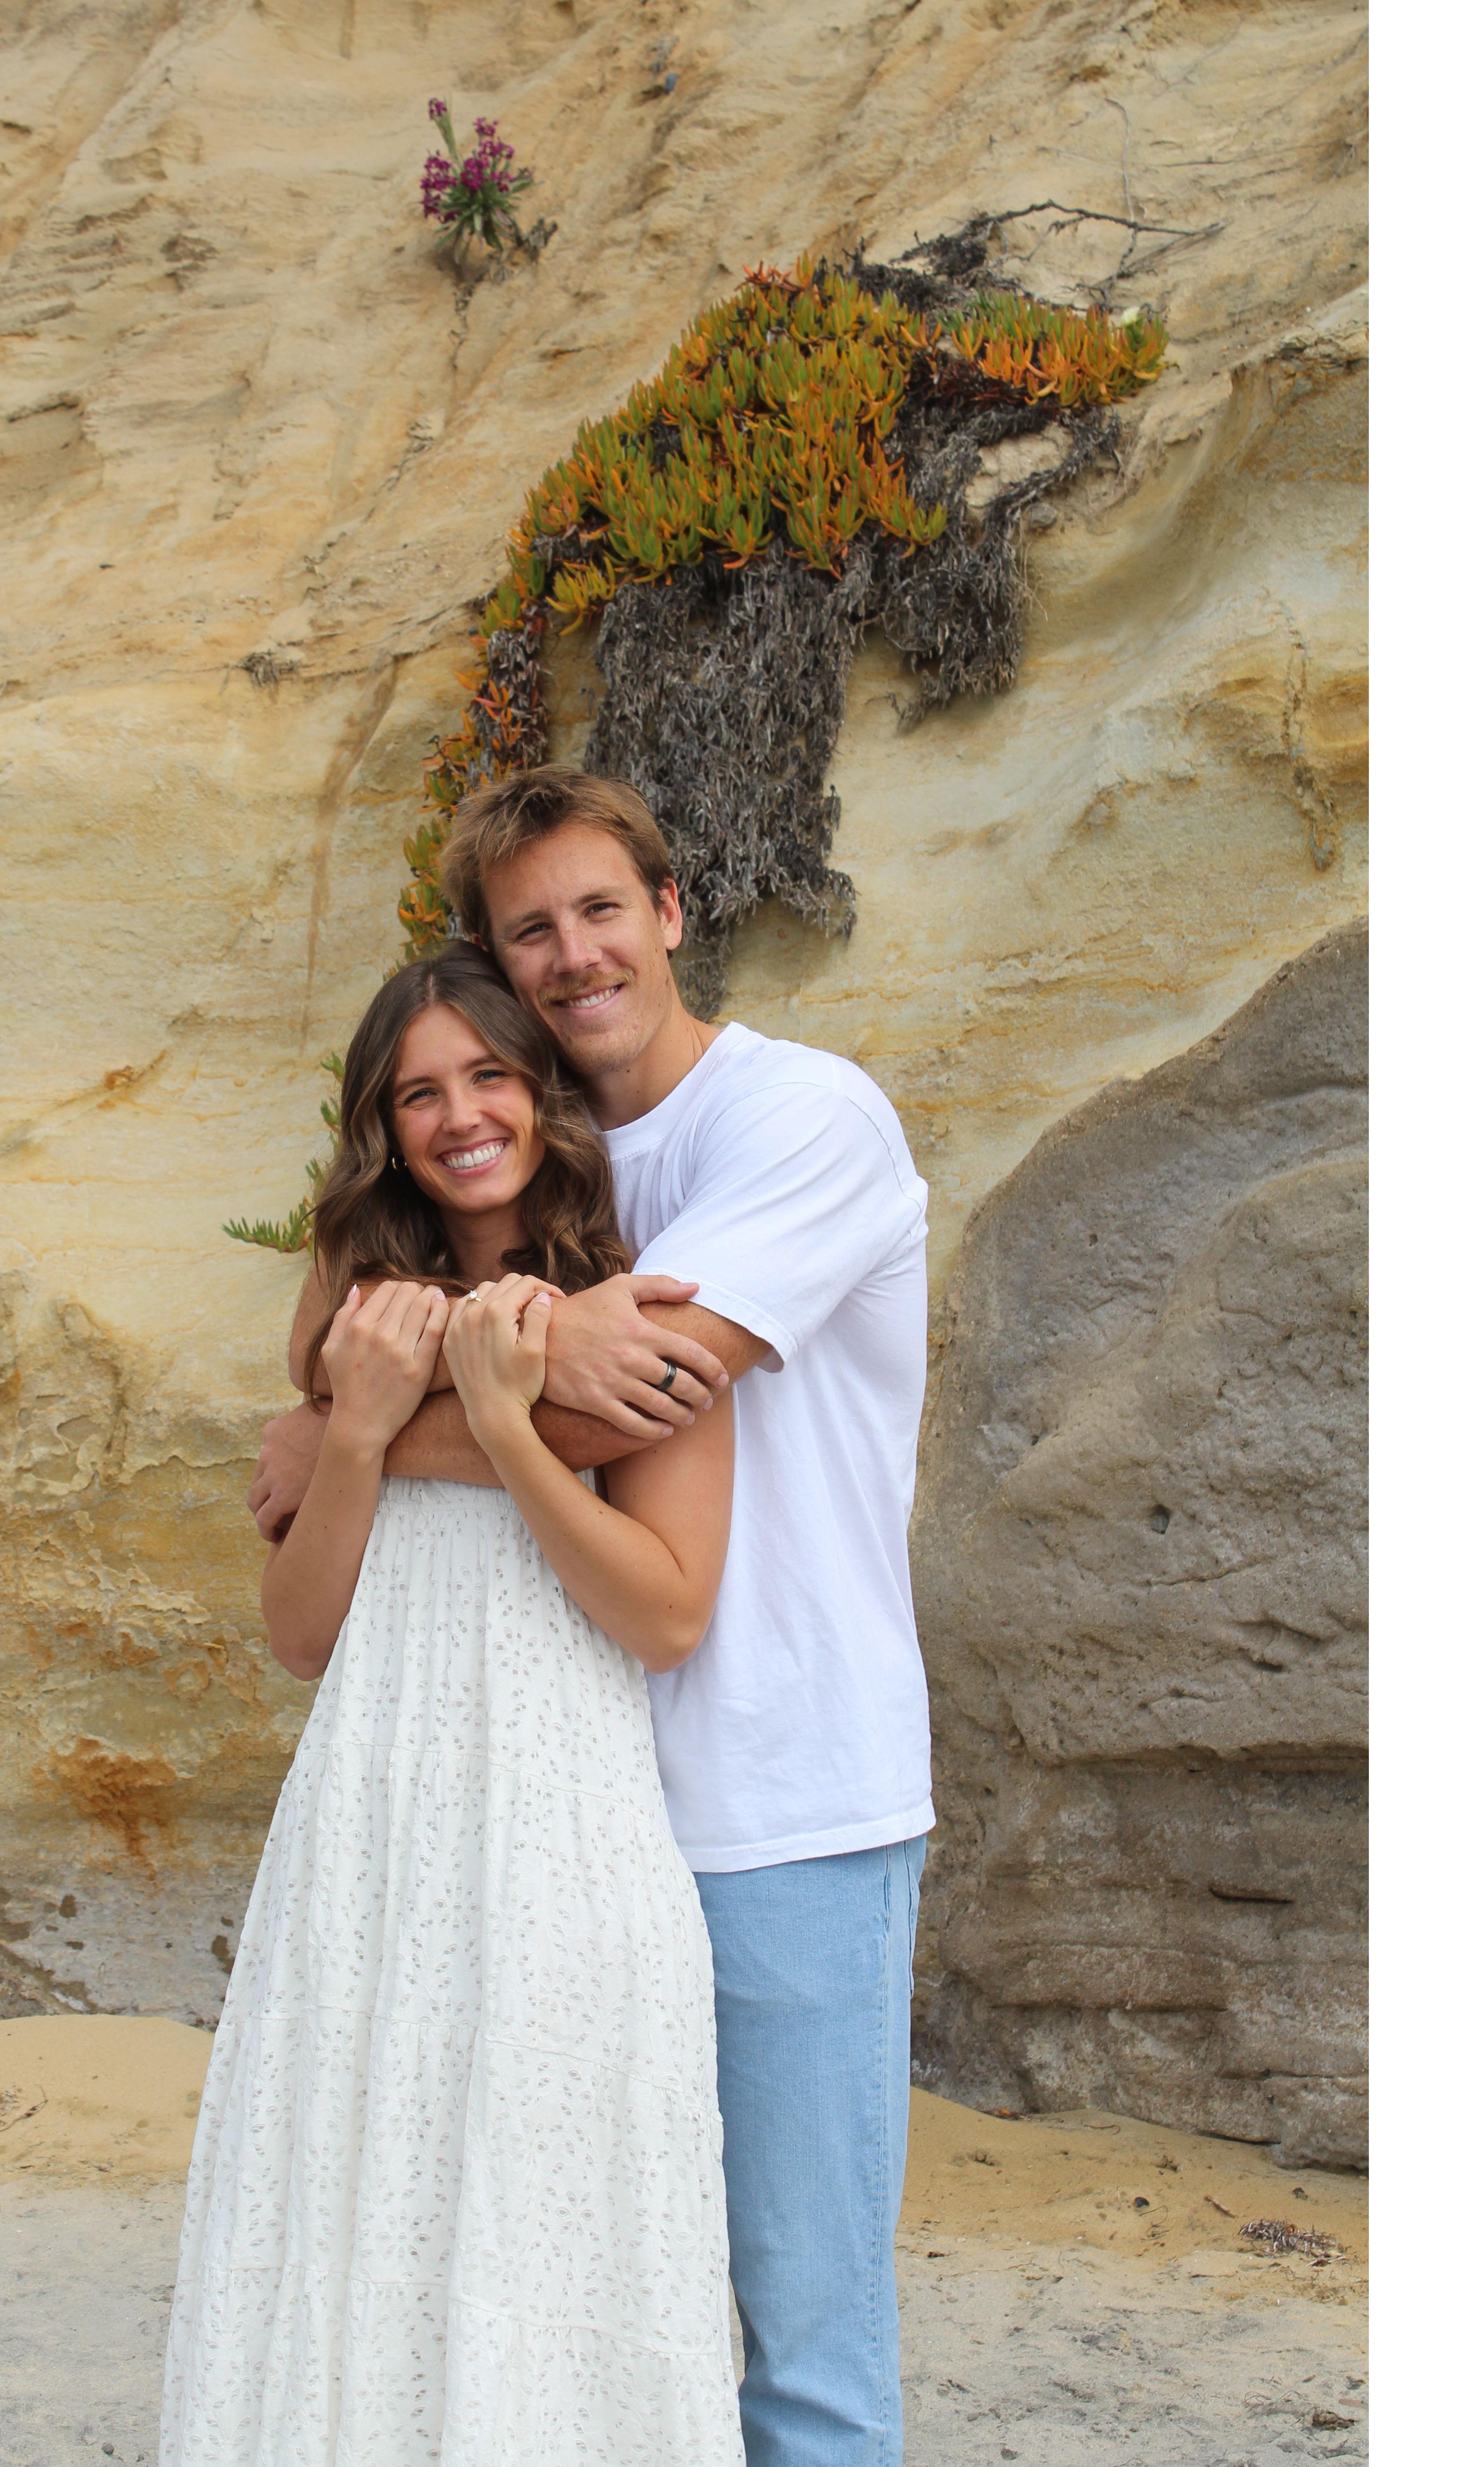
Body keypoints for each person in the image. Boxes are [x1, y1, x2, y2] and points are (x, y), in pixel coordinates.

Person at [248, 768, 934, 2467]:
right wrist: (362, 1404)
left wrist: (350, 1434)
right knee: (575, 2309)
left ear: (673, 910)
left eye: (601, 909)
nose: (574, 955)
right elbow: (410, 1375)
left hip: (781, 1799)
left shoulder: (799, 1121)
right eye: (530, 931)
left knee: (804, 2344)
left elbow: (644, 1397)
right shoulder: (544, 1177)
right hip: (569, 1825)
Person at [161, 943, 745, 2467]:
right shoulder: (362, 1328)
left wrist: (508, 1426)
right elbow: (301, 1637)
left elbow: (666, 1614)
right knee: (356, 2210)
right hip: (365, 1838)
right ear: (383, 1127)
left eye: (490, 1074)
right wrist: (354, 1430)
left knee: (548, 2220)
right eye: (418, 1093)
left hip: (560, 1829)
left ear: (546, 1091)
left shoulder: (636, 1306)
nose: (461, 1116)